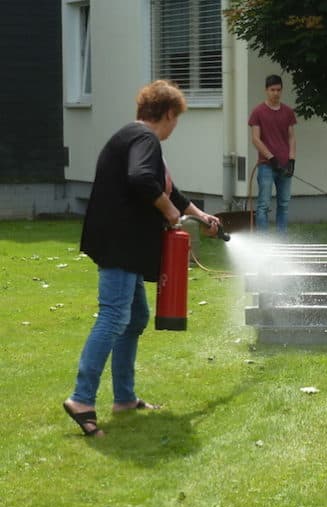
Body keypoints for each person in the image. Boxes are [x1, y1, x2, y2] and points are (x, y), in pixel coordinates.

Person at [63, 79, 221, 437]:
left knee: (135, 317)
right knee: (115, 316)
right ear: (167, 114)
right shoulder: (144, 139)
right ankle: (81, 398)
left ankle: (124, 398)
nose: (175, 126)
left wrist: (199, 215)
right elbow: (141, 179)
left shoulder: (134, 138)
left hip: (125, 244)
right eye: (176, 118)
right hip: (121, 243)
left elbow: (168, 188)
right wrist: (168, 213)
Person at [248, 74, 297, 234]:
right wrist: (271, 157)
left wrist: (291, 160)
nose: (276, 93)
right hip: (266, 166)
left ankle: (281, 241)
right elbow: (255, 139)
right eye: (272, 90)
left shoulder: (288, 112)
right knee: (263, 205)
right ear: (266, 90)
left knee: (284, 204)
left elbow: (291, 137)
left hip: (285, 166)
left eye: (278, 90)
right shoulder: (258, 112)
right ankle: (264, 243)